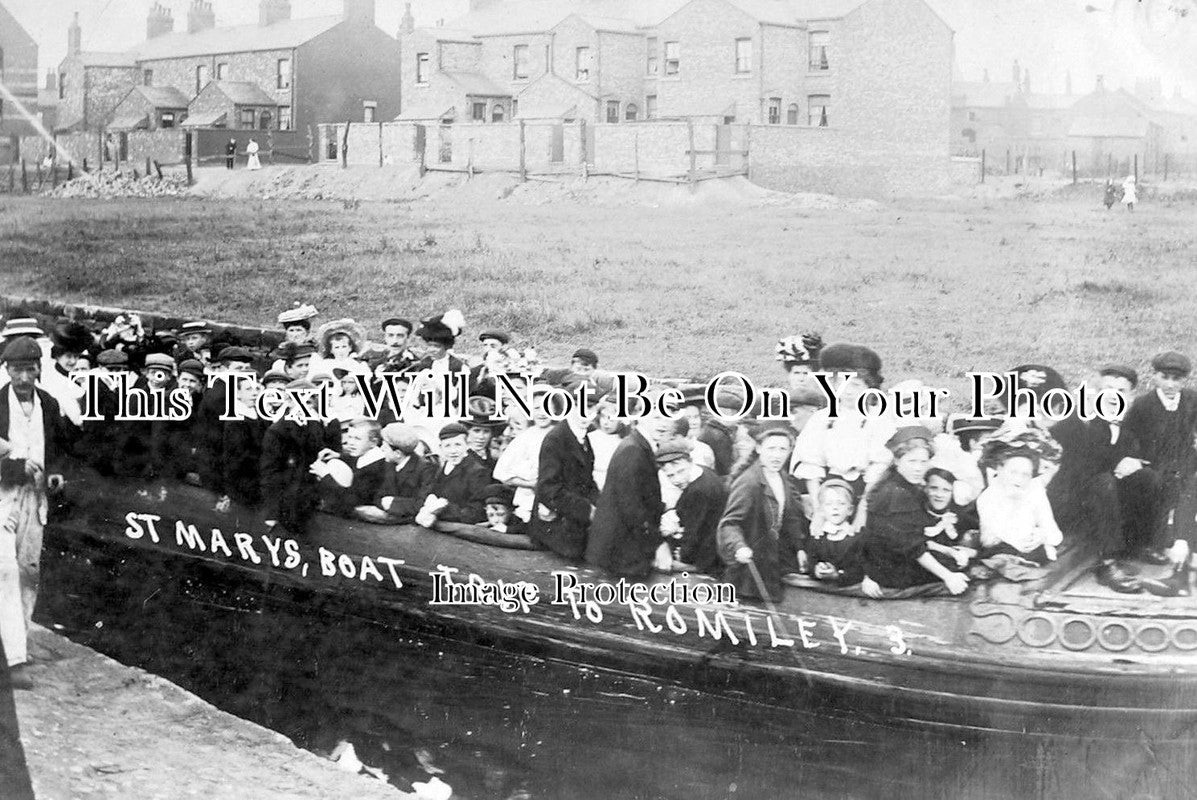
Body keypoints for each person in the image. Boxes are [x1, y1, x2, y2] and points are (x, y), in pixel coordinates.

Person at [0, 337, 74, 682]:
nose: (23, 378)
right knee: (5, 571)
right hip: (3, 496)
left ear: (39, 370)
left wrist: (56, 472)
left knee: (29, 568)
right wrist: (15, 467)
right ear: (7, 371)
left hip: (36, 499)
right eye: (16, 370)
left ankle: (20, 643)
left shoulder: (49, 403)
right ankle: (12, 659)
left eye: (29, 370)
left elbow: (60, 446)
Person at [1048, 366, 1158, 593]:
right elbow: (1075, 453)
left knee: (1146, 478)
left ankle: (1133, 547)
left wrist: (1135, 463)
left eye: (1121, 390)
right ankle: (1106, 565)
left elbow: (1140, 458)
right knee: (1103, 482)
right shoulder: (1082, 422)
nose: (1113, 396)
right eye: (1107, 389)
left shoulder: (1126, 430)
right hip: (1068, 506)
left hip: (1099, 502)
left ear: (1129, 397)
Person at [860, 426, 970, 597]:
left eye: (923, 462)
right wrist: (948, 577)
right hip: (891, 570)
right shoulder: (896, 493)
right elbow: (913, 547)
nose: (918, 468)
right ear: (897, 461)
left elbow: (915, 537)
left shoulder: (904, 486)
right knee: (960, 570)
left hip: (892, 560)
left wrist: (948, 551)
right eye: (912, 461)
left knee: (957, 557)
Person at [1123, 351, 1197, 596]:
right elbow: (1128, 439)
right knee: (1174, 493)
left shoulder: (1191, 400)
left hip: (1186, 465)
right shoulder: (1143, 405)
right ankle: (1174, 556)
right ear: (1154, 376)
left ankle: (1181, 564)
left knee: (1189, 489)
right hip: (1155, 468)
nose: (1170, 385)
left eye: (1177, 379)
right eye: (1164, 377)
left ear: (1184, 381)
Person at [716, 423, 806, 601]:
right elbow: (729, 523)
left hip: (774, 565)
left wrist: (800, 548)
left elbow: (791, 518)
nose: (777, 455)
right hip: (749, 573)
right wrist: (738, 547)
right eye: (771, 448)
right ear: (758, 448)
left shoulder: (782, 478)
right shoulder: (749, 482)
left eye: (783, 449)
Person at [586, 393, 670, 579]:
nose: (663, 424)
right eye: (656, 417)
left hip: (624, 549)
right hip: (620, 554)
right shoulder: (633, 450)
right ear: (639, 417)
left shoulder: (639, 446)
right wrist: (658, 543)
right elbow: (631, 508)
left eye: (666, 417)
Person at [259, 379, 340, 536]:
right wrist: (271, 513)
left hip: (309, 499)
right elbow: (270, 473)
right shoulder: (277, 431)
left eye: (310, 402)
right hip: (287, 501)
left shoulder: (314, 425)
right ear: (289, 402)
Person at [528, 401, 599, 560]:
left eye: (591, 408)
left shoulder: (582, 436)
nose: (585, 414)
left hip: (573, 517)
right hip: (555, 524)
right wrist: (587, 510)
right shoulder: (556, 439)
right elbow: (547, 489)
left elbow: (587, 481)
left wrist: (602, 506)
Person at [977, 445, 1063, 565]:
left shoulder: (1035, 489)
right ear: (999, 468)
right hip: (998, 553)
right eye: (1013, 472)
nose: (1019, 479)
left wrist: (1042, 536)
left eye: (1026, 474)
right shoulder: (987, 498)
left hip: (1031, 553)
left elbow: (1055, 535)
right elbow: (1006, 541)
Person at [657, 441, 727, 576]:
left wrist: (683, 556)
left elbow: (694, 532)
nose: (677, 479)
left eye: (681, 471)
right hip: (713, 545)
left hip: (707, 555)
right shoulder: (703, 471)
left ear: (690, 462)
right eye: (670, 475)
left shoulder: (698, 491)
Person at [415, 422, 491, 526]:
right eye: (447, 446)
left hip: (460, 528)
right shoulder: (443, 466)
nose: (453, 451)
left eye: (458, 445)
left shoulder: (478, 471)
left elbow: (475, 512)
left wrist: (442, 509)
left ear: (467, 445)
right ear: (440, 447)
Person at [314, 418, 389, 518]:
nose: (351, 443)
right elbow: (356, 460)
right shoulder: (369, 455)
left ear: (373, 442)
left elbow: (350, 501)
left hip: (359, 516)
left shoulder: (375, 468)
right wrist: (338, 455)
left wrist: (325, 476)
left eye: (357, 439)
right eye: (349, 437)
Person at [369, 423, 436, 524]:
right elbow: (378, 496)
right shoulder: (388, 464)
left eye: (385, 446)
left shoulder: (426, 469)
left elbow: (423, 504)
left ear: (398, 454)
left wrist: (392, 503)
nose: (381, 448)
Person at [801, 478, 864, 585]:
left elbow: (859, 569)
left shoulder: (856, 538)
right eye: (829, 504)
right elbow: (811, 561)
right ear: (821, 510)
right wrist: (817, 570)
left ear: (850, 510)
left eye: (841, 503)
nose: (835, 508)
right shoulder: (818, 536)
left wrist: (837, 575)